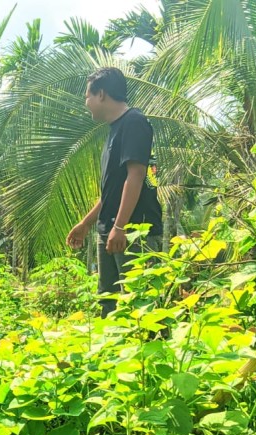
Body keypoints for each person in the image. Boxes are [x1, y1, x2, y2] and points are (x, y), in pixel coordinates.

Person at [66, 67, 163, 316]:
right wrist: (86, 224)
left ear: (101, 94)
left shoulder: (134, 122)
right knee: (108, 303)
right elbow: (112, 190)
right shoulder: (114, 130)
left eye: (87, 96)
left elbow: (136, 176)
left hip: (134, 232)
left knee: (141, 304)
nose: (86, 103)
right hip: (110, 230)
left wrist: (120, 227)